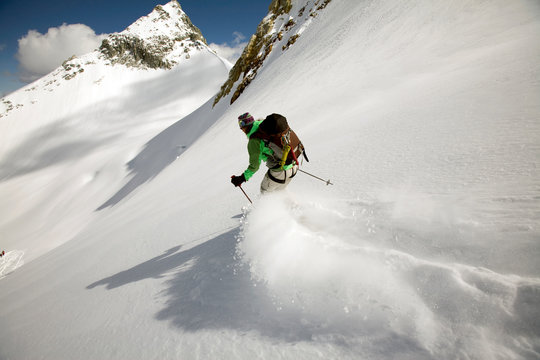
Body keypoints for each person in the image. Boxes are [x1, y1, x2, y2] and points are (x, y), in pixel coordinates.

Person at [231, 112, 304, 193]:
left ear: (247, 124)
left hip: (280, 170)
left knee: (265, 192)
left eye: (241, 124)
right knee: (279, 192)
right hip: (293, 165)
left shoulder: (254, 141)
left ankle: (272, 205)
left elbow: (254, 166)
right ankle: (294, 205)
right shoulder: (264, 125)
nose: (241, 128)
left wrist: (242, 178)